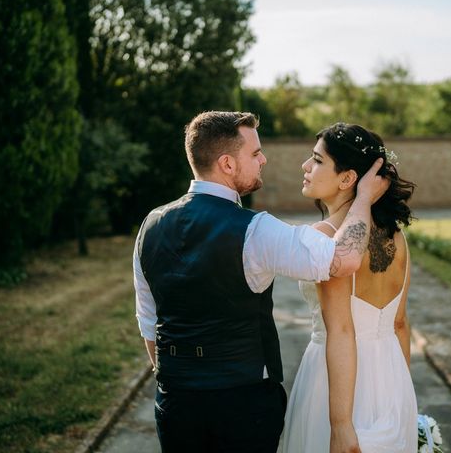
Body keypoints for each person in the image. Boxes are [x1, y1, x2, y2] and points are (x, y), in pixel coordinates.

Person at [132, 111, 389, 453]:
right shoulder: (256, 230)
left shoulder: (150, 225)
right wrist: (363, 199)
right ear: (227, 163)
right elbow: (345, 259)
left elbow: (149, 324)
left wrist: (179, 380)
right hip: (243, 405)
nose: (263, 159)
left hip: (175, 402)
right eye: (254, 154)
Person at [281, 122, 418, 453]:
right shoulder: (396, 237)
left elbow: (341, 330)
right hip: (391, 373)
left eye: (316, 160)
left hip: (337, 382)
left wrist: (340, 425)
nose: (305, 166)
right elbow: (400, 324)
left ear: (347, 179)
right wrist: (402, 392)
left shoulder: (325, 237)